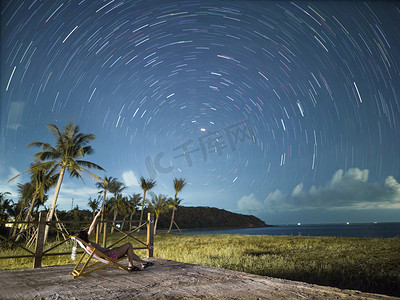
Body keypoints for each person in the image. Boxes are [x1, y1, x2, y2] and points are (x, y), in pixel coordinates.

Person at [77, 208, 153, 272]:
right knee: (129, 245)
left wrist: (97, 216)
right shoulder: (89, 246)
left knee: (128, 250)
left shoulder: (86, 244)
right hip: (109, 256)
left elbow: (91, 227)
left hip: (109, 253)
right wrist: (111, 251)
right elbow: (100, 255)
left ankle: (143, 263)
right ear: (85, 237)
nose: (88, 234)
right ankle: (131, 266)